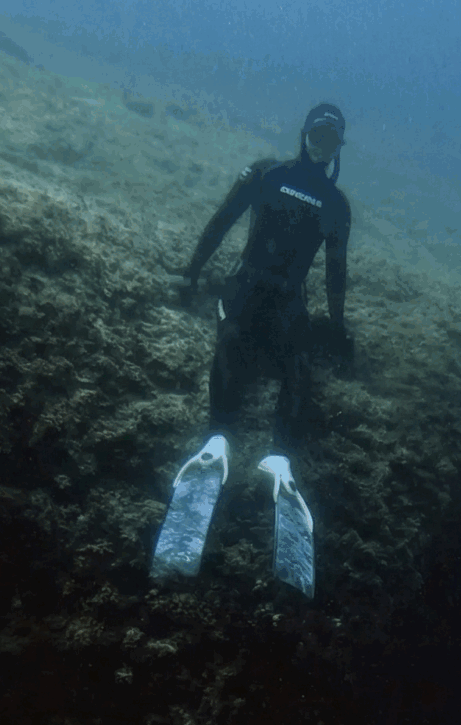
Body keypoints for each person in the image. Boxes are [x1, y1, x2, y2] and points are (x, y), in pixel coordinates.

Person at [152, 104, 353, 596]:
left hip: (284, 305)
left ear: (337, 148)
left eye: (329, 141)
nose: (319, 146)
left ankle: (277, 459)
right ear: (303, 134)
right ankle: (219, 440)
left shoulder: (333, 203)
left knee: (295, 368)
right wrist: (193, 272)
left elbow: (334, 271)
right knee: (236, 343)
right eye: (315, 136)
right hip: (246, 294)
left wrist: (337, 325)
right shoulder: (267, 174)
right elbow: (222, 221)